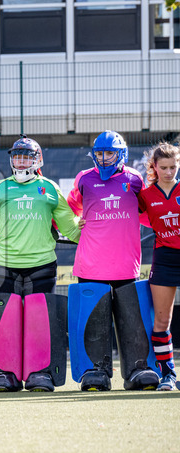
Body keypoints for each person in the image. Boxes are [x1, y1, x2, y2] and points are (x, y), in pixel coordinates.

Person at [0, 137, 80, 392]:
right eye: (17, 156)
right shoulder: (1, 188)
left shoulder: (49, 188)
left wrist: (93, 235)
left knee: (40, 321)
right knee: (4, 321)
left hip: (42, 264)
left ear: (37, 159)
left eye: (27, 156)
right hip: (4, 265)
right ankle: (5, 373)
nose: (21, 160)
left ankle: (40, 372)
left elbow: (70, 227)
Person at [66, 131, 158, 391]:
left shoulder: (134, 179)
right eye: (99, 153)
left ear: (122, 154)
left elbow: (144, 213)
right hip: (91, 265)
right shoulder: (84, 178)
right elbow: (68, 209)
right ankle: (96, 371)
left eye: (110, 153)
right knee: (95, 322)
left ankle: (136, 370)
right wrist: (73, 223)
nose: (104, 159)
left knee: (132, 321)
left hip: (126, 265)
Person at [138, 141, 180, 391]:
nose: (168, 172)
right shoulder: (145, 195)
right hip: (164, 258)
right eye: (163, 167)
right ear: (154, 167)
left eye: (173, 167)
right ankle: (168, 375)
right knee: (162, 322)